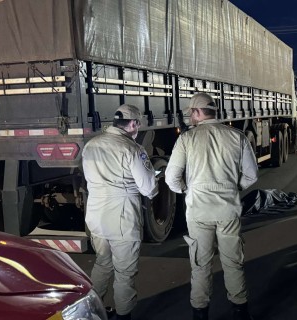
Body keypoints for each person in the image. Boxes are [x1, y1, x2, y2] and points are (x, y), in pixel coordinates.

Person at [165, 93, 258, 320]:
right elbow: (252, 175)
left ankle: (200, 313)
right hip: (227, 210)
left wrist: (188, 190)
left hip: (198, 211)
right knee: (233, 262)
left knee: (200, 264)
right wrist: (233, 188)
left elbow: (171, 178)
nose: (190, 119)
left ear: (198, 112)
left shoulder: (187, 139)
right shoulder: (237, 136)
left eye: (191, 114)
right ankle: (240, 311)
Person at [82, 104, 158, 320]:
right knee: (124, 273)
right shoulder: (132, 149)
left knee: (102, 263)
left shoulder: (91, 145)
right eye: (138, 124)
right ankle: (123, 316)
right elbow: (149, 189)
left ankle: (90, 312)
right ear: (133, 124)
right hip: (122, 219)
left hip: (96, 216)